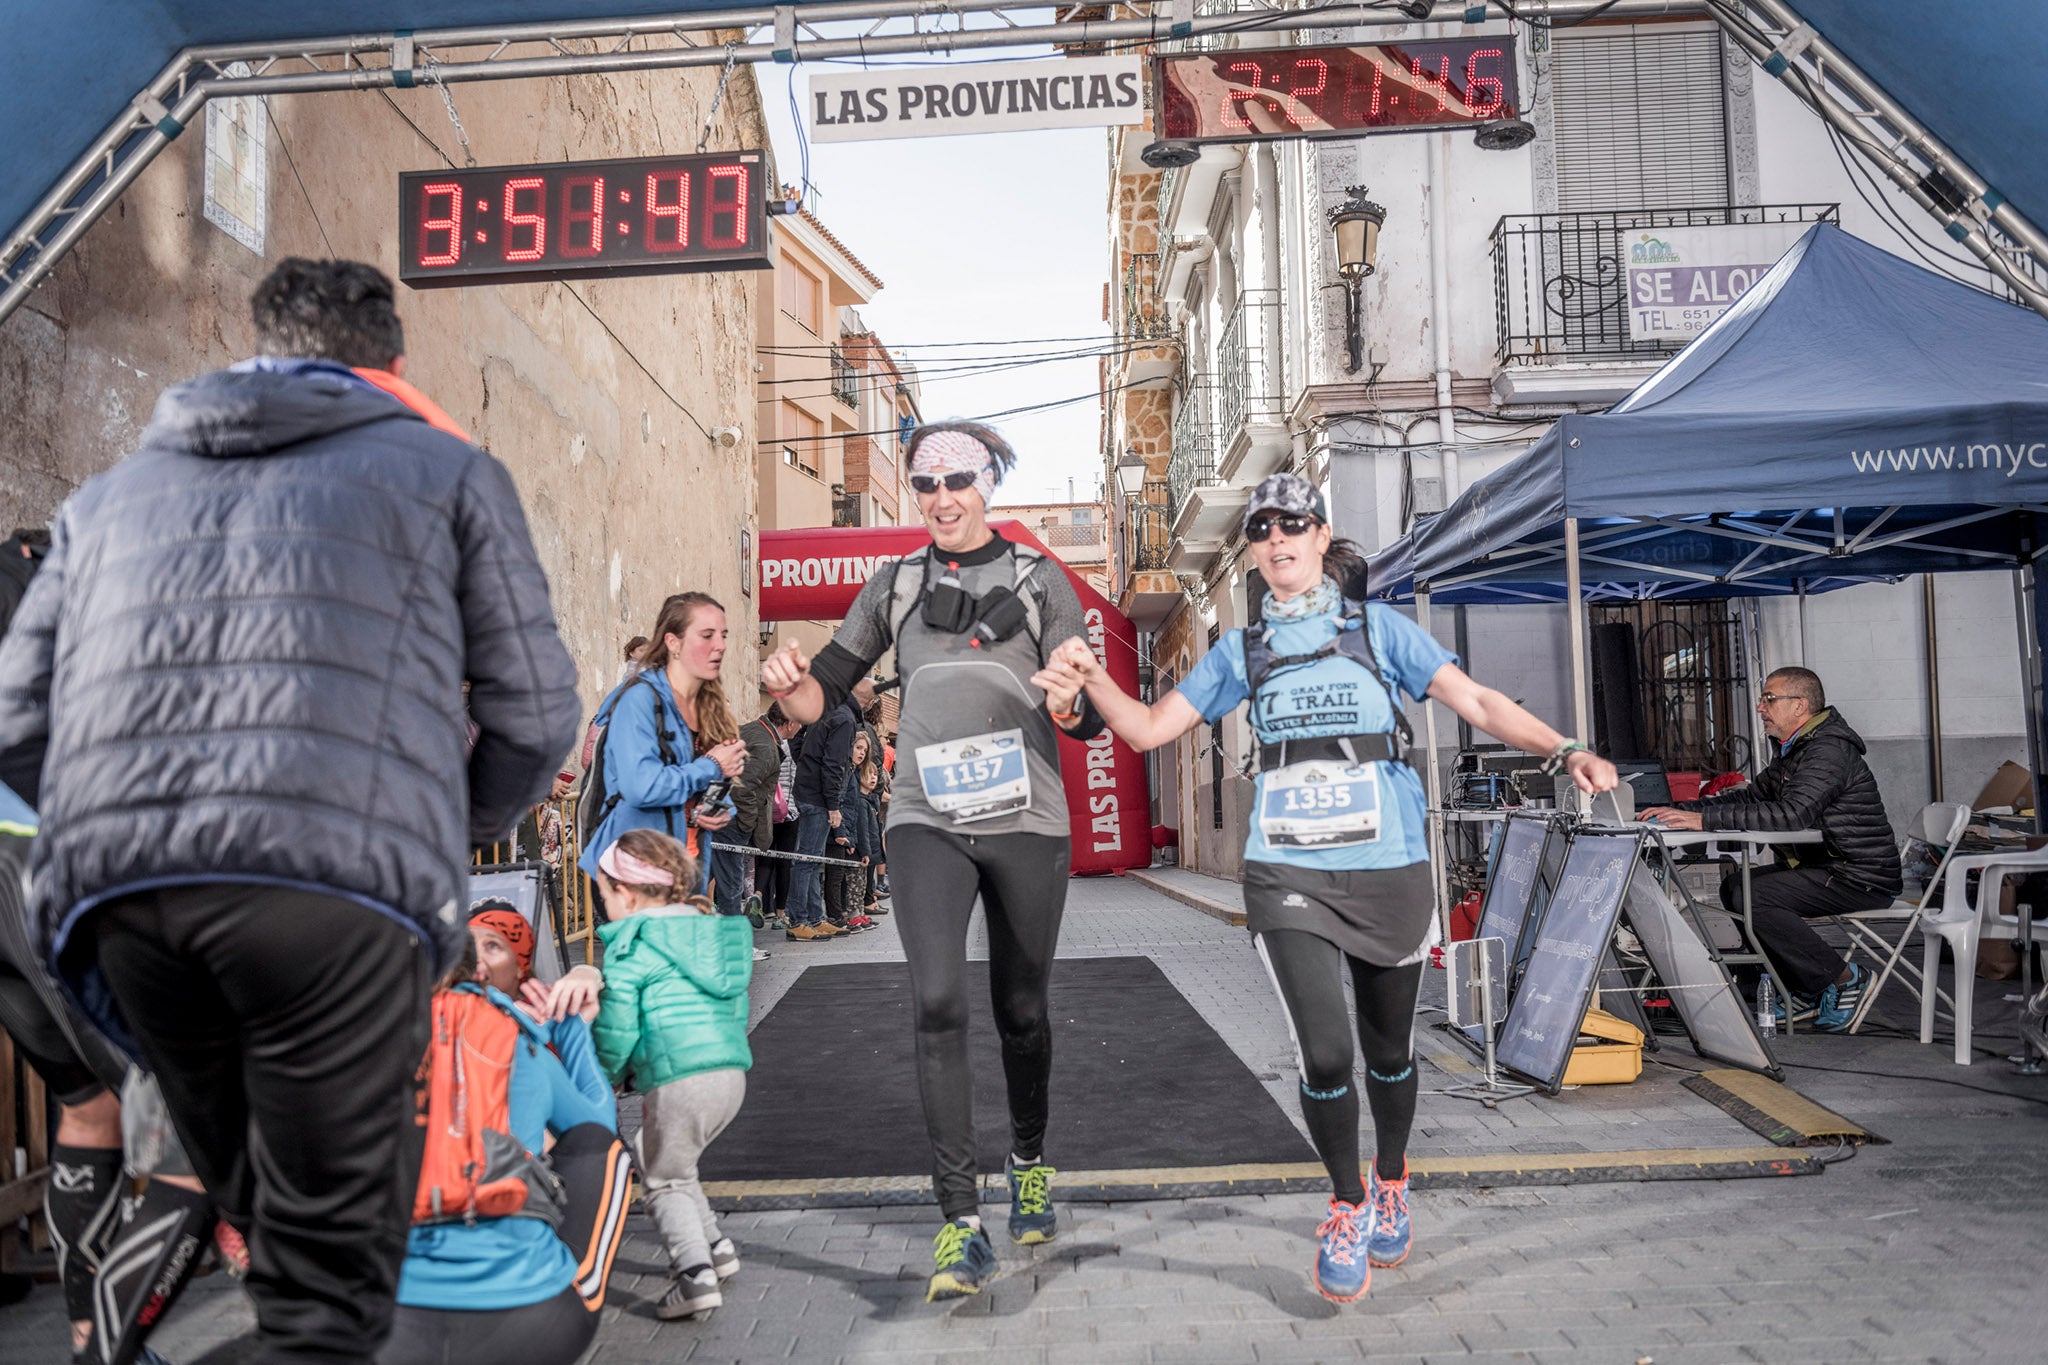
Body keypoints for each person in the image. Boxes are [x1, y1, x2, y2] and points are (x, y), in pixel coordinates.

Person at [0, 257, 582, 1359]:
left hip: (126, 906)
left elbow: (14, 718)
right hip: (329, 901)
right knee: (327, 1300)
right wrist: (440, 828)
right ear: (392, 366)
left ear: (252, 353)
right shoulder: (446, 470)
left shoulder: (108, 497)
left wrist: (111, 818)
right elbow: (535, 709)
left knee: (272, 1241)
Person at [1032, 472, 1616, 1305]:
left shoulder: (1381, 632)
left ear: (1319, 534)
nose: (1277, 540)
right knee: (1327, 1051)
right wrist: (1088, 680)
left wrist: (1564, 749)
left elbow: (1475, 698)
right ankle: (1344, 1204)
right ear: (1255, 549)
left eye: (1292, 525)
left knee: (1388, 1053)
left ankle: (1390, 1177)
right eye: (1262, 528)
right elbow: (1150, 727)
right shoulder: (1241, 651)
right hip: (1287, 869)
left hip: (1387, 867)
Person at [762, 420, 1108, 1301]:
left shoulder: (1040, 579)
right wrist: (785, 681)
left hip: (1025, 819)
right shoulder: (896, 583)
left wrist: (1071, 703)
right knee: (937, 1001)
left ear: (988, 483)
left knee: (1021, 1009)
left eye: (958, 481)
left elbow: (1087, 717)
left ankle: (1027, 1156)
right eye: (926, 485)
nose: (942, 498)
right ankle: (960, 1221)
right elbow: (822, 690)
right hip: (926, 817)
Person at [378, 938, 621, 1365]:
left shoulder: (346, 1046)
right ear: (476, 976)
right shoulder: (514, 1038)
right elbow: (597, 1126)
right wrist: (572, 1031)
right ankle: (573, 1278)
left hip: (378, 1320)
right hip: (531, 1320)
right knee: (600, 1147)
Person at [1642, 665, 1901, 1031]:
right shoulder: (1796, 750)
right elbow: (1752, 797)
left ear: (1800, 705)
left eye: (1770, 699)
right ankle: (1806, 987)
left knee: (1756, 895)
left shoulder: (1828, 751)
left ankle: (1844, 979)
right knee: (1736, 887)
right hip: (1830, 867)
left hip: (1860, 875)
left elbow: (1792, 815)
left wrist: (1703, 822)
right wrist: (1678, 812)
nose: (1761, 707)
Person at [588, 830, 753, 1323]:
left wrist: (607, 1073)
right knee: (673, 1162)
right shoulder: (710, 934)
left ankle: (694, 1275)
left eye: (603, 895)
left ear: (628, 893)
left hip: (679, 1080)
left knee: (661, 1179)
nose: (604, 907)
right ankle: (717, 1248)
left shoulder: (633, 945)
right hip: (728, 1074)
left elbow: (617, 1027)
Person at [577, 594, 747, 891]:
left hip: (688, 863)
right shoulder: (638, 699)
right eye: (706, 635)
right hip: (636, 872)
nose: (719, 645)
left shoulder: (706, 704)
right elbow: (643, 788)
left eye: (723, 636)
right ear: (673, 643)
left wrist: (719, 808)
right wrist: (712, 764)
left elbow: (711, 786)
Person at [787, 677, 875, 942]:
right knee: (807, 860)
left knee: (814, 860)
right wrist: (833, 805)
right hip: (818, 798)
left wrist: (806, 769)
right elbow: (835, 764)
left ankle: (814, 917)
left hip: (809, 791)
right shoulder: (845, 719)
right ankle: (798, 920)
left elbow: (797, 742)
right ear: (868, 702)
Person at [757, 706, 803, 931]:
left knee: (764, 857)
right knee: (784, 862)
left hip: (767, 808)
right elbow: (793, 780)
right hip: (788, 809)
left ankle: (759, 901)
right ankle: (780, 915)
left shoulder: (770, 741)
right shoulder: (790, 746)